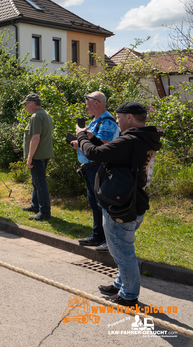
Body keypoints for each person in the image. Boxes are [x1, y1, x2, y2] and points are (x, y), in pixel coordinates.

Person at [77, 101, 161, 306]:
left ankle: (129, 295)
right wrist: (93, 138)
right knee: (122, 249)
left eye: (118, 117)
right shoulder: (144, 139)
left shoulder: (130, 140)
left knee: (122, 253)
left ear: (130, 118)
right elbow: (110, 151)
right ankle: (120, 283)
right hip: (134, 201)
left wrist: (80, 136)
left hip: (121, 206)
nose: (116, 120)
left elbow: (94, 154)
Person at [70, 91, 119, 252]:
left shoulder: (106, 121)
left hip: (99, 167)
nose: (86, 106)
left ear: (96, 103)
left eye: (87, 103)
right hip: (90, 168)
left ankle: (106, 239)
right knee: (94, 204)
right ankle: (97, 235)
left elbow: (103, 145)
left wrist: (84, 136)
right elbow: (90, 144)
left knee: (102, 204)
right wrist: (80, 143)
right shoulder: (95, 121)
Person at [21, 93, 54, 221]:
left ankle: (44, 212)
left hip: (37, 155)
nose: (25, 107)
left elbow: (35, 138)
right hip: (44, 154)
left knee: (40, 184)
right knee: (37, 182)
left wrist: (29, 158)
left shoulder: (36, 116)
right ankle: (35, 205)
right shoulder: (45, 114)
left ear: (32, 104)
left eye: (26, 104)